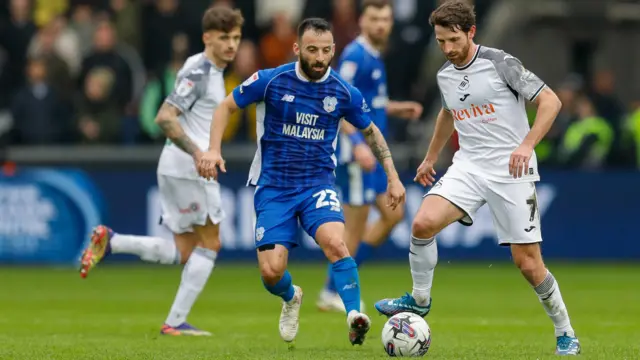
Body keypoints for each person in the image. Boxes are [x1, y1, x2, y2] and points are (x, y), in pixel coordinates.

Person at [373, 1, 581, 355]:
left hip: (511, 171)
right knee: (422, 224)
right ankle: (420, 300)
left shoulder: (501, 63)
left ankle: (565, 330)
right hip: (468, 167)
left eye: (454, 40)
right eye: (440, 42)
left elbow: (551, 102)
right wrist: (430, 157)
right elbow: (447, 113)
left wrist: (526, 146)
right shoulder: (445, 74)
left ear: (471, 32)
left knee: (528, 264)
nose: (448, 49)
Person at [196, 18, 406, 347]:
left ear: (333, 50)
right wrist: (213, 149)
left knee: (337, 243)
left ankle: (353, 316)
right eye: (312, 50)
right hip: (274, 188)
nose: (319, 57)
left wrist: (392, 176)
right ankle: (291, 296)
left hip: (317, 186)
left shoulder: (342, 91)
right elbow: (226, 106)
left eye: (325, 51)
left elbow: (371, 131)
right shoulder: (271, 80)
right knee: (271, 272)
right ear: (297, 49)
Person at [78, 5, 244, 336]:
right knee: (211, 243)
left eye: (237, 38)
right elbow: (164, 117)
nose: (232, 45)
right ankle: (175, 321)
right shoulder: (200, 72)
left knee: (183, 250)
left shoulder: (200, 67)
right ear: (207, 37)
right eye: (224, 38)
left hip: (174, 165)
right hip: (190, 166)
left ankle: (112, 241)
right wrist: (201, 153)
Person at [317, 0, 423, 313]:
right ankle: (336, 289)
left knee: (392, 216)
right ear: (363, 21)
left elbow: (366, 104)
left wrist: (394, 107)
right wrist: (357, 143)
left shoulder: (375, 56)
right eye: (375, 18)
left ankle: (335, 283)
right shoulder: (355, 55)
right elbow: (337, 100)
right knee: (353, 226)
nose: (381, 25)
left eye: (386, 19)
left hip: (372, 154)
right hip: (356, 154)